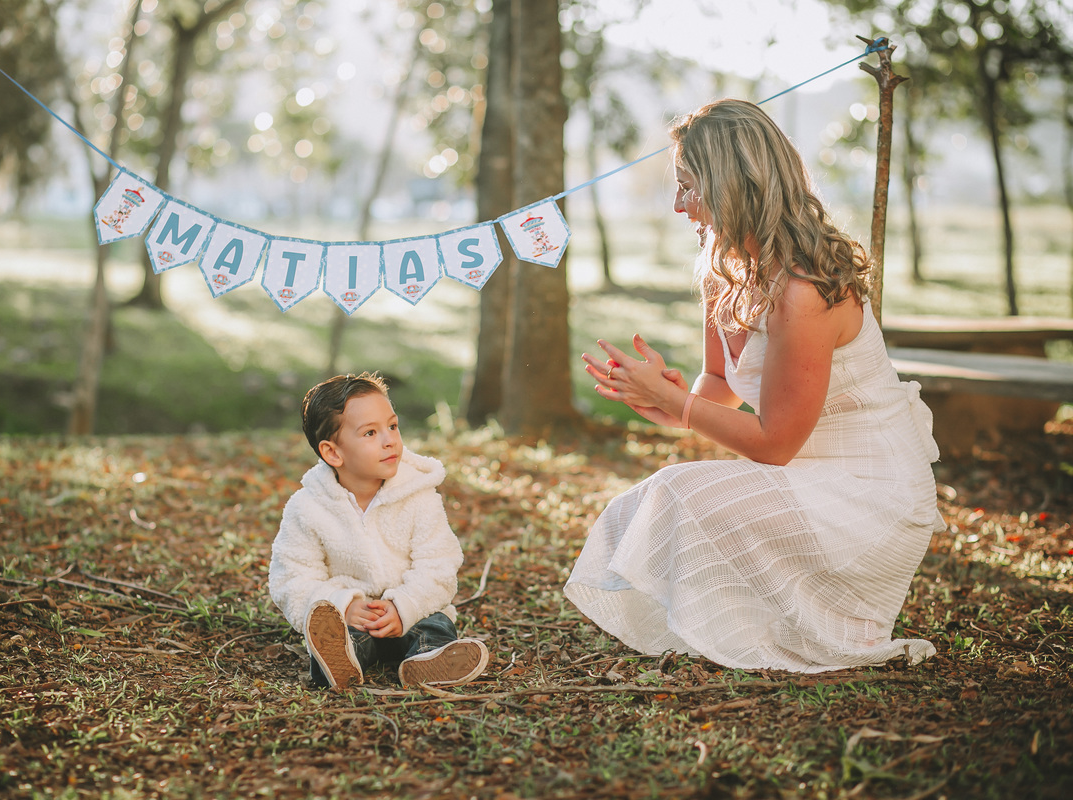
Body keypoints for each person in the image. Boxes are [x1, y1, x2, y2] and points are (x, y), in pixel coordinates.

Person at [564, 99, 944, 673]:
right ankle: (754, 621)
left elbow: (774, 444)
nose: (677, 204)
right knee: (658, 498)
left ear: (731, 185)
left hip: (870, 495)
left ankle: (835, 620)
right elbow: (719, 384)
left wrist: (679, 404)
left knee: (678, 493)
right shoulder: (723, 267)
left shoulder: (805, 288)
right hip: (805, 476)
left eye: (688, 186)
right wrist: (662, 398)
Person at [268, 372, 489, 690]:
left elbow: (439, 564)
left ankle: (429, 664)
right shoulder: (307, 507)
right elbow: (292, 578)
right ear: (333, 453)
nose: (390, 440)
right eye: (370, 432)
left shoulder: (419, 496)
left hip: (413, 612)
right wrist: (343, 604)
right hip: (354, 619)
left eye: (393, 426)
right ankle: (340, 663)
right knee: (334, 636)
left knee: (437, 625)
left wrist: (404, 606)